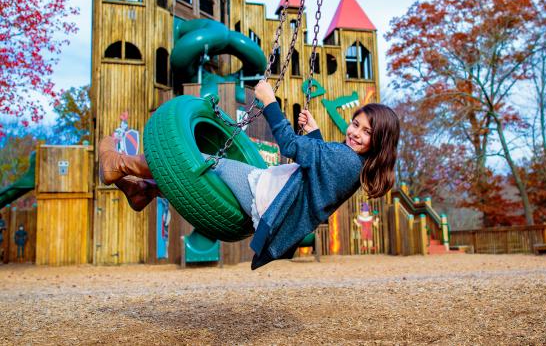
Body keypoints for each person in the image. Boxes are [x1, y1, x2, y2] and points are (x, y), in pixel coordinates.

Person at [98, 81, 400, 269]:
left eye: (366, 131)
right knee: (205, 182)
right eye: (355, 124)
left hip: (264, 195)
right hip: (268, 200)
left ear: (380, 142)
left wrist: (270, 102)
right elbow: (319, 172)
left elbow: (290, 145)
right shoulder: (351, 164)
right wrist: (316, 132)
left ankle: (120, 164)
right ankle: (144, 190)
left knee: (199, 163)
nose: (355, 132)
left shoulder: (347, 160)